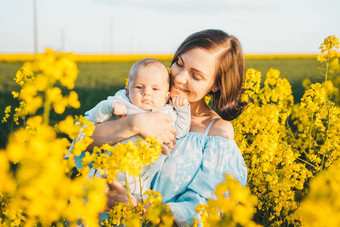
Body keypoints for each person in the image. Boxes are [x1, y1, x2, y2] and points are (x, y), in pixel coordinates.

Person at [88, 29, 248, 227]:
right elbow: (83, 141)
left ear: (215, 84)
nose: (179, 78)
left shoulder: (216, 133)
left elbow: (204, 211)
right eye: (179, 64)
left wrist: (132, 207)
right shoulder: (143, 95)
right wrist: (135, 123)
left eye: (195, 76)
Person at [82, 58, 191, 198]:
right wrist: (110, 107)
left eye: (155, 89)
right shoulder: (123, 103)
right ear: (127, 91)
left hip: (140, 179)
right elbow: (92, 118)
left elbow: (179, 132)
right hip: (106, 169)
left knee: (131, 212)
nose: (146, 93)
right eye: (139, 87)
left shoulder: (168, 113)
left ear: (166, 96)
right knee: (87, 201)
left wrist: (182, 110)